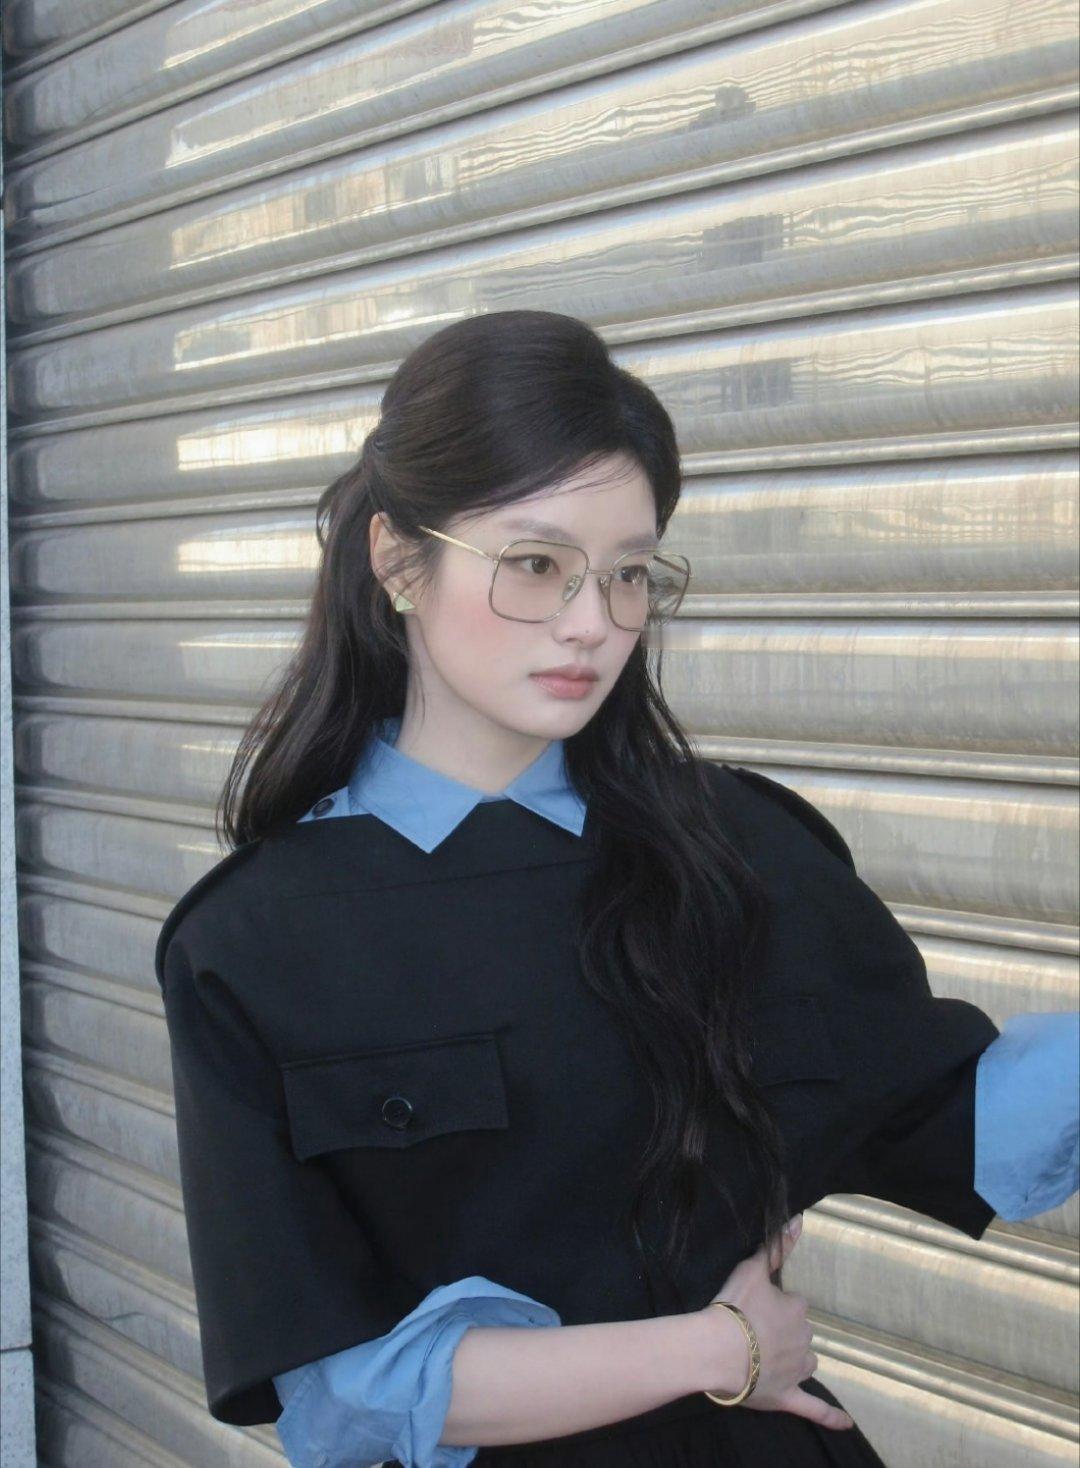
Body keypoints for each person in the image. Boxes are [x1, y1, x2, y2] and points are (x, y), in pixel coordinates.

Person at [154, 310, 1079, 1468]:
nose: (593, 625)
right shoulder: (254, 944)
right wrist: (717, 1348)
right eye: (537, 565)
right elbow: (343, 1395)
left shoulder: (737, 846)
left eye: (629, 574)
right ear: (398, 560)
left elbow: (955, 1126)